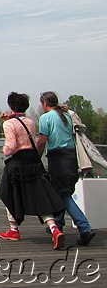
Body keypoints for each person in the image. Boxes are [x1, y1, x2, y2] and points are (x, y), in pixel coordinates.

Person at [0, 92, 66, 249]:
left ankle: (14, 230)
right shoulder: (30, 121)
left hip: (17, 163)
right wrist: (9, 118)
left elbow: (11, 147)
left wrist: (4, 149)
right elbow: (23, 129)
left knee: (8, 192)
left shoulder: (8, 125)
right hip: (32, 163)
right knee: (40, 197)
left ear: (10, 106)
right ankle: (55, 230)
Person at [36, 91, 96, 246]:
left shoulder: (45, 118)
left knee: (63, 195)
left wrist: (36, 157)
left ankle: (84, 228)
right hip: (71, 158)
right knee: (63, 192)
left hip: (57, 160)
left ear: (44, 103)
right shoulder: (67, 116)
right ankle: (58, 226)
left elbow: (42, 140)